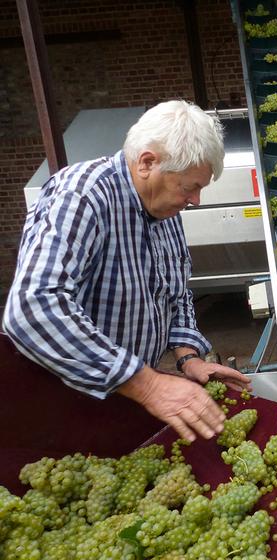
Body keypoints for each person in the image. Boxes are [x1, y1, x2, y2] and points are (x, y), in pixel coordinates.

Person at [3, 100, 250, 443]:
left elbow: (176, 294)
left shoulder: (164, 214)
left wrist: (188, 358)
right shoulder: (83, 195)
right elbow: (33, 308)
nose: (195, 200)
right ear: (148, 163)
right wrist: (148, 385)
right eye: (189, 186)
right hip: (65, 406)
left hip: (124, 400)